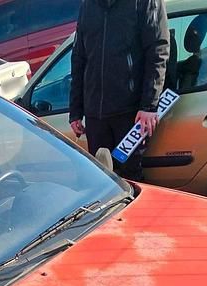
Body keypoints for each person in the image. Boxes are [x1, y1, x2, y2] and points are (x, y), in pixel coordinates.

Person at [70, 0, 170, 180]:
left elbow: (158, 51)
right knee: (102, 180)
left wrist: (148, 106)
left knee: (131, 178)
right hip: (96, 116)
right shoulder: (88, 5)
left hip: (130, 114)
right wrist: (76, 111)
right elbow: (78, 58)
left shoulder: (144, 2)